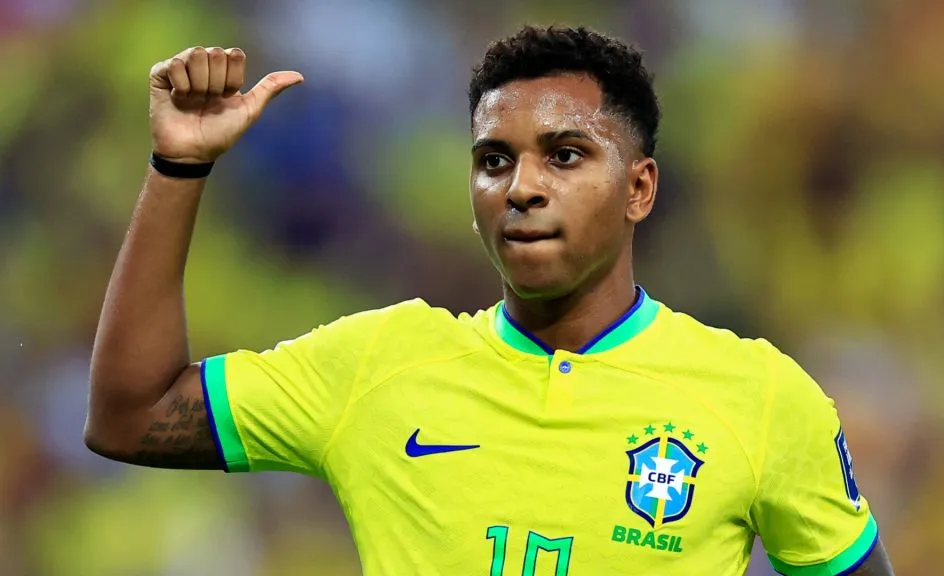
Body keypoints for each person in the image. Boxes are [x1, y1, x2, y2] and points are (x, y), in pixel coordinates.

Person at [85, 25, 895, 576]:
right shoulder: (377, 367)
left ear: (639, 189)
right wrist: (178, 166)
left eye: (566, 155)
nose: (522, 189)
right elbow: (129, 414)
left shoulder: (759, 398)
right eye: (494, 161)